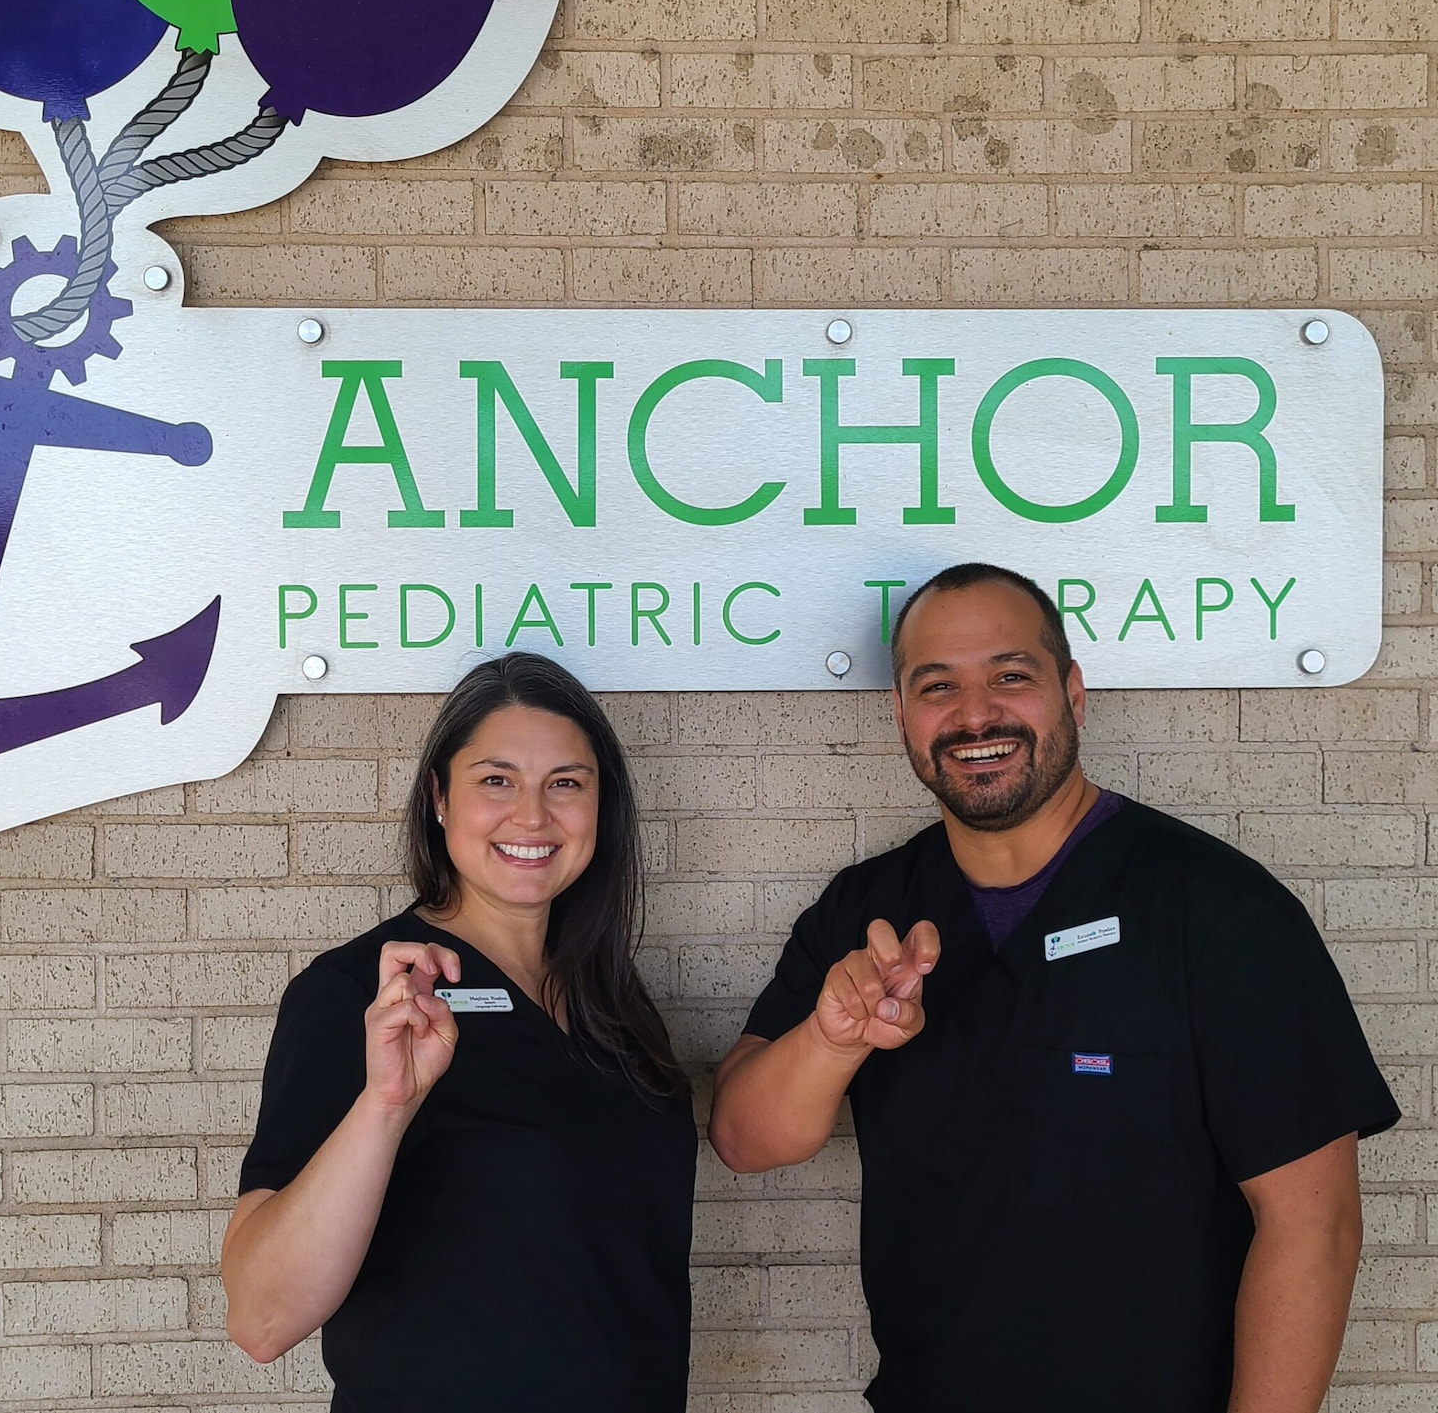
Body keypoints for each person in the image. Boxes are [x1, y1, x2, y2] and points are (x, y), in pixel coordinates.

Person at [709, 562, 1398, 1413]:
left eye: (1010, 674)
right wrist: (832, 1040)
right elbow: (745, 1137)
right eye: (937, 686)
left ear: (1072, 692)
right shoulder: (868, 911)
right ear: (900, 715)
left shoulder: (1218, 912)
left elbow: (1313, 1228)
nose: (975, 714)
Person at [222, 651, 695, 1411]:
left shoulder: (615, 1003)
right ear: (440, 796)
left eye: (566, 783)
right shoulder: (360, 997)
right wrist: (384, 1104)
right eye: (497, 779)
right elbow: (260, 1316)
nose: (533, 815)